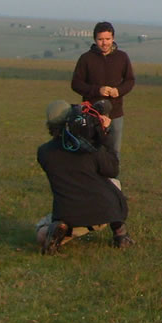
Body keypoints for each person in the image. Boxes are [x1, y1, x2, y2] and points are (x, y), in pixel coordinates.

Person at [36, 100, 133, 253]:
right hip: (104, 212)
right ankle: (120, 233)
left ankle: (59, 229)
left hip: (68, 215)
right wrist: (103, 135)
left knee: (41, 232)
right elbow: (112, 169)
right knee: (114, 182)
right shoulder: (90, 147)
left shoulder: (44, 152)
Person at [72, 21, 136, 154]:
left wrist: (119, 91)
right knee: (90, 151)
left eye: (108, 39)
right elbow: (76, 84)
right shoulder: (86, 59)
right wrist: (97, 90)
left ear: (113, 38)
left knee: (113, 152)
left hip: (115, 114)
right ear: (95, 39)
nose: (104, 43)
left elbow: (130, 80)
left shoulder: (122, 57)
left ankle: (112, 176)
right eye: (100, 39)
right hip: (91, 114)